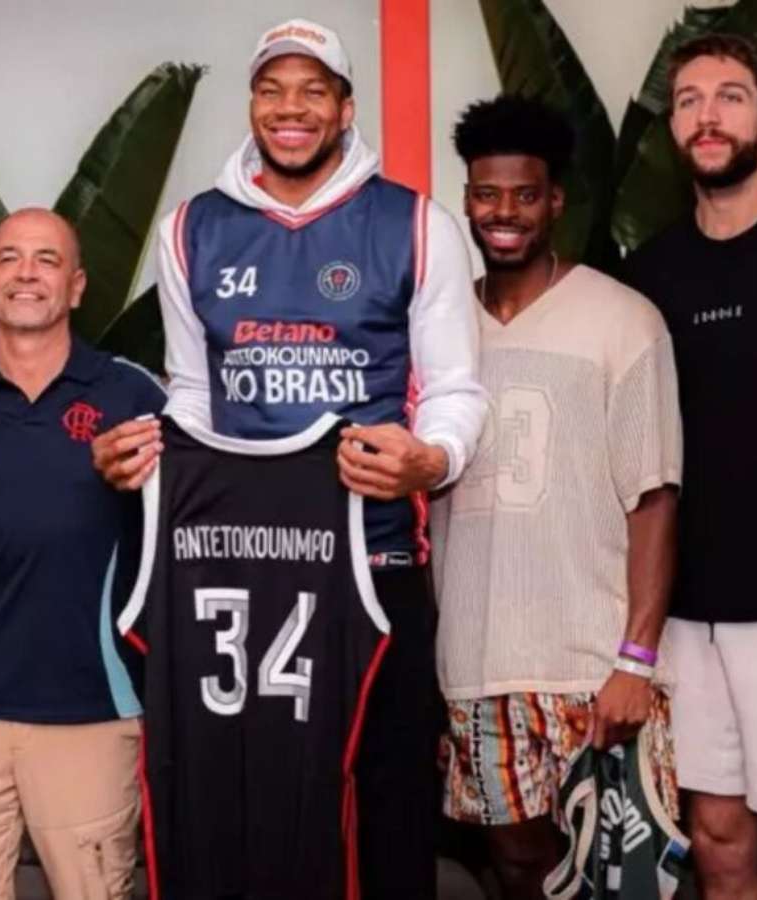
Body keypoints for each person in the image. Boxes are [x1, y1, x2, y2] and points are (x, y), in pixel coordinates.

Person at [93, 18, 487, 896]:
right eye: (271, 89)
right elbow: (193, 394)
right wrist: (149, 460)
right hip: (239, 569)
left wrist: (431, 461)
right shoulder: (192, 229)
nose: (290, 108)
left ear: (346, 108)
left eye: (313, 90)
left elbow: (457, 389)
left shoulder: (415, 224)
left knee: (386, 812)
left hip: (374, 559)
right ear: (252, 104)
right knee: (251, 808)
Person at [433, 94, 683, 900]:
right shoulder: (438, 335)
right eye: (486, 194)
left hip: (591, 667)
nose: (504, 212)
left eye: (525, 194)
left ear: (555, 201)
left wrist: (635, 661)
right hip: (475, 666)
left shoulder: (623, 320)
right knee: (516, 868)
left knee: (621, 875)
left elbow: (654, 500)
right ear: (466, 198)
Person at [0, 208, 163, 900]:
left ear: (77, 286)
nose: (26, 274)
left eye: (47, 260)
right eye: (9, 258)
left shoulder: (133, 393)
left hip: (93, 709)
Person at [625, 33, 757, 900]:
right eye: (689, 100)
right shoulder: (648, 276)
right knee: (716, 836)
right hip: (686, 616)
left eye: (730, 96)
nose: (708, 116)